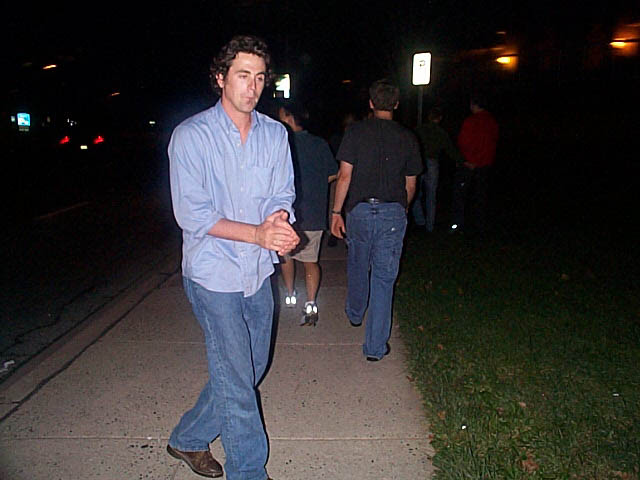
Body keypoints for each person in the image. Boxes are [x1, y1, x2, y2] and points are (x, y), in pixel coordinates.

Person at [167, 35, 299, 480]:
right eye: (243, 75)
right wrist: (258, 234)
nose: (253, 86)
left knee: (250, 367)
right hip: (213, 273)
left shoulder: (275, 134)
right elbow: (193, 214)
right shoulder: (191, 136)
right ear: (221, 78)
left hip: (257, 271)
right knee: (239, 382)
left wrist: (278, 220)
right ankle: (249, 471)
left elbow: (282, 193)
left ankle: (188, 437)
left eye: (260, 77)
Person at [330, 79, 422, 361]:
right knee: (384, 278)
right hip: (392, 211)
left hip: (359, 210)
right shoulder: (408, 138)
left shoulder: (355, 132)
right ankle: (375, 347)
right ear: (396, 104)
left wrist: (336, 212)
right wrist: (403, 209)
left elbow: (344, 176)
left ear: (371, 103)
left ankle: (355, 312)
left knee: (358, 262)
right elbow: (410, 184)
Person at [277, 101, 338, 326]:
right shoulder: (319, 143)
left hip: (286, 212)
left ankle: (290, 294)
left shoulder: (281, 143)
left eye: (281, 115)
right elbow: (334, 173)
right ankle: (311, 302)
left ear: (290, 118)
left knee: (286, 256)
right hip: (313, 211)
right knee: (311, 260)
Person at [450, 94, 499, 236]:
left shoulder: (471, 121)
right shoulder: (492, 122)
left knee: (460, 196)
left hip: (469, 164)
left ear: (474, 105)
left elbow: (463, 142)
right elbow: (493, 142)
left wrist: (466, 160)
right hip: (484, 164)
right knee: (480, 196)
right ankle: (479, 226)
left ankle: (458, 225)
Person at [412, 107, 462, 233]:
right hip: (432, 162)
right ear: (439, 118)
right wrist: (460, 160)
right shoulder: (440, 132)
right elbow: (449, 148)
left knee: (416, 194)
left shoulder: (420, 129)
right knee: (431, 195)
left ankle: (420, 220)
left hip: (420, 162)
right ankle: (430, 225)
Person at [326, 111, 356, 246]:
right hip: (338, 176)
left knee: (348, 206)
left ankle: (346, 236)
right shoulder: (337, 139)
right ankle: (334, 233)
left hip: (352, 177)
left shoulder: (357, 138)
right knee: (335, 205)